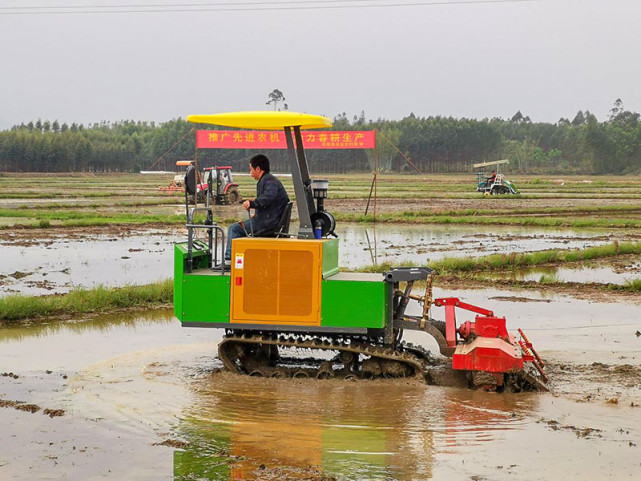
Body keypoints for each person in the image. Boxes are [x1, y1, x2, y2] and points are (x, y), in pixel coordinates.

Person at [224, 154, 290, 264]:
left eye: (251, 169)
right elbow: (268, 202)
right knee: (238, 227)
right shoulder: (268, 180)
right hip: (269, 220)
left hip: (267, 223)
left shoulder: (269, 181)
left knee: (234, 229)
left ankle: (229, 261)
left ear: (258, 169)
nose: (250, 173)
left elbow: (267, 199)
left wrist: (252, 203)